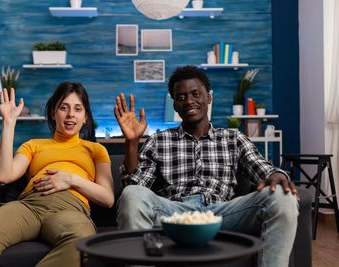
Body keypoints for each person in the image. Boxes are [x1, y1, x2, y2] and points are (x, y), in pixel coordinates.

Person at [114, 65, 299, 267]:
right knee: (132, 194)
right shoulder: (159, 140)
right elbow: (135, 187)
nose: (190, 101)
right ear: (175, 105)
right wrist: (131, 142)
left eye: (196, 94)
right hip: (174, 214)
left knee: (282, 195)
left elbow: (261, 167)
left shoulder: (233, 138)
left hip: (222, 213)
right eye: (181, 97)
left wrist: (277, 174)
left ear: (208, 98)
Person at [0, 82, 114, 267]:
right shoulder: (33, 145)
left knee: (80, 242)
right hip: (29, 206)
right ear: (53, 113)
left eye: (78, 109)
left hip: (70, 208)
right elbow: (4, 175)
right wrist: (8, 123)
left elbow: (107, 198)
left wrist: (71, 179)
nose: (71, 115)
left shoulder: (96, 150)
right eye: (63, 108)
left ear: (85, 117)